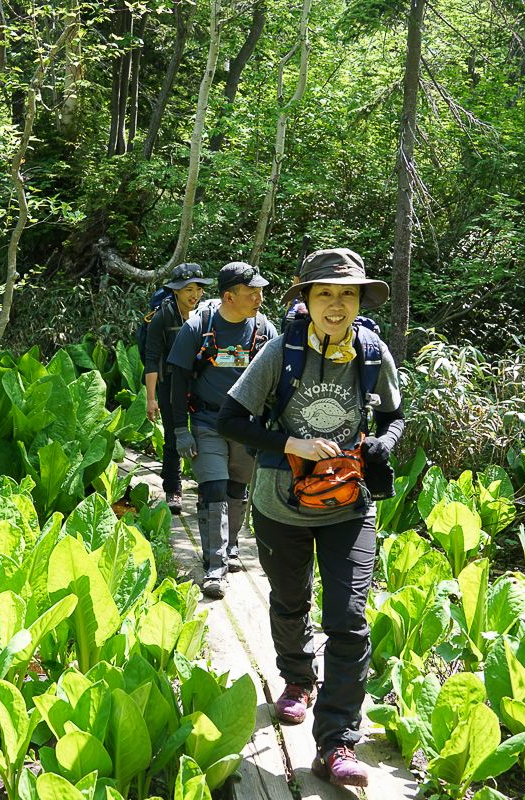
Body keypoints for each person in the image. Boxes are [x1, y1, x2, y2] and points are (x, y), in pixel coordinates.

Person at [216, 248, 404, 788]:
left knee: (348, 617)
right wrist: (291, 441)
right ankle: (298, 680)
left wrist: (382, 445)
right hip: (281, 503)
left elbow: (393, 415)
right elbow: (231, 418)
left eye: (347, 293)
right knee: (291, 599)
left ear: (359, 300)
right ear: (306, 299)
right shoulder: (280, 352)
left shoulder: (372, 353)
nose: (337, 304)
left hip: (350, 505)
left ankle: (336, 743)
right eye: (325, 293)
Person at [167, 262, 277, 600]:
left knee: (236, 488)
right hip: (207, 421)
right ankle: (214, 567)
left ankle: (228, 547)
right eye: (251, 292)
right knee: (212, 488)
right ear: (229, 296)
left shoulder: (264, 330)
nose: (259, 297)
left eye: (260, 290)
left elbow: (278, 383)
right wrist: (179, 431)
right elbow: (178, 382)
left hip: (247, 425)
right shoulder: (198, 327)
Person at [143, 263, 213, 513]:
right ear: (175, 291)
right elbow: (152, 358)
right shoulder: (162, 317)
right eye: (188, 290)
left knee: (205, 434)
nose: (194, 295)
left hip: (200, 383)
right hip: (171, 384)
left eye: (198, 289)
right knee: (174, 437)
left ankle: (208, 488)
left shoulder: (207, 316)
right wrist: (151, 399)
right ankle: (173, 489)